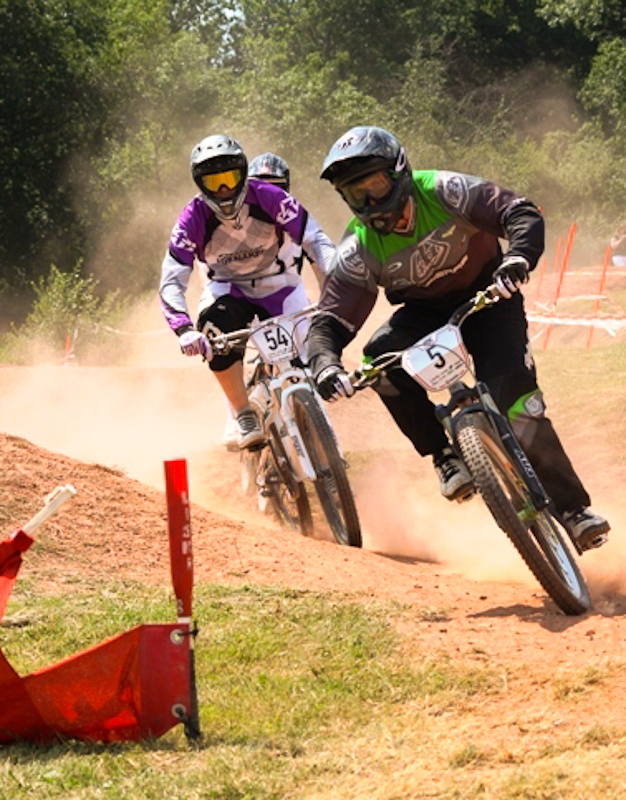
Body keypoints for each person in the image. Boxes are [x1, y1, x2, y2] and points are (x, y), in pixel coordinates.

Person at [307, 125, 610, 552]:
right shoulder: (358, 247)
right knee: (378, 362)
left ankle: (574, 511)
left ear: (399, 173)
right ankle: (443, 455)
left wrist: (518, 258)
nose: (370, 203)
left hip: (490, 297)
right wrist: (325, 366)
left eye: (375, 187)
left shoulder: (445, 191)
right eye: (356, 195)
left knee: (520, 405)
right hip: (423, 314)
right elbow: (329, 321)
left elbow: (519, 212)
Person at [159, 135, 335, 450]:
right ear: (200, 184)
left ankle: (327, 443)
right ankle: (241, 413)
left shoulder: (270, 196)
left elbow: (315, 240)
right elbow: (172, 279)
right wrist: (184, 329)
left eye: (230, 178)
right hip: (229, 290)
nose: (224, 190)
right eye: (214, 182)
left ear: (243, 173)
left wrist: (335, 287)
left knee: (307, 360)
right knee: (214, 329)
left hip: (282, 285)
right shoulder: (192, 218)